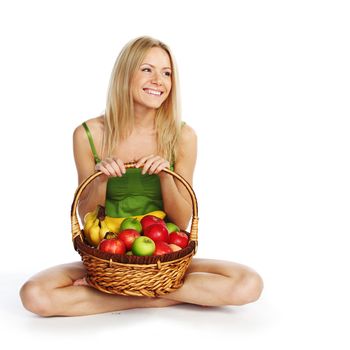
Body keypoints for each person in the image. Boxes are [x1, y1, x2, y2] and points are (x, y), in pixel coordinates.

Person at [19, 36, 263, 317]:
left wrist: (165, 176)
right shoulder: (89, 134)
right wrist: (101, 179)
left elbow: (182, 219)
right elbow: (87, 216)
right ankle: (158, 295)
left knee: (248, 284)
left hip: (164, 254)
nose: (159, 80)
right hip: (108, 255)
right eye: (147, 69)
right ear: (125, 74)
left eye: (167, 73)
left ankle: (123, 294)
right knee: (34, 295)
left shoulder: (182, 137)